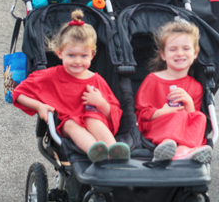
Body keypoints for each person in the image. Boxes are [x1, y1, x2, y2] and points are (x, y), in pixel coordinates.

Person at [13, 9, 131, 163]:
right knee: (70, 125)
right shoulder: (51, 75)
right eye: (71, 55)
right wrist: (39, 107)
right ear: (60, 53)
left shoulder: (96, 80)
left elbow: (114, 114)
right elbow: (18, 93)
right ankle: (95, 150)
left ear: (92, 55)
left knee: (94, 119)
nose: (77, 61)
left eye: (83, 56)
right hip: (66, 121)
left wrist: (100, 103)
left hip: (92, 117)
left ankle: (114, 150)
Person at [135, 22, 214, 163]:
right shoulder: (153, 80)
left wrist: (189, 103)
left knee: (201, 117)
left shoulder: (195, 86)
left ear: (195, 53)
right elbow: (141, 114)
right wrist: (162, 111)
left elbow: (192, 120)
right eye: (173, 49)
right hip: (157, 126)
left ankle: (183, 150)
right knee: (177, 116)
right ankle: (168, 146)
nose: (179, 53)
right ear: (163, 55)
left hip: (182, 130)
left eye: (185, 48)